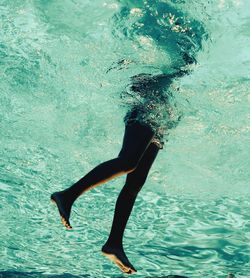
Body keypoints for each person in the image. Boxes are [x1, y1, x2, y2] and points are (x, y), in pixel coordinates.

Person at [51, 1, 206, 274]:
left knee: (135, 182)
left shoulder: (186, 25)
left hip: (161, 111)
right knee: (129, 162)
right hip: (146, 101)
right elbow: (144, 58)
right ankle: (68, 194)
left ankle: (114, 243)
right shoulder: (160, 17)